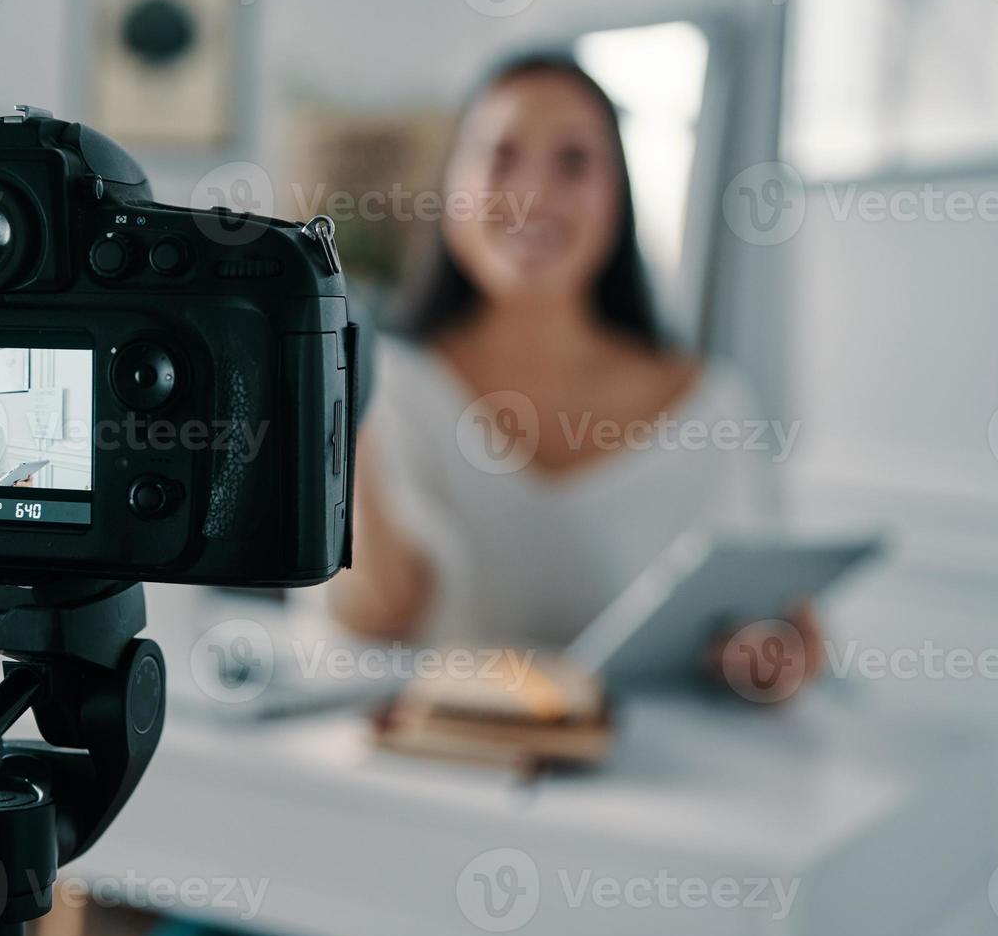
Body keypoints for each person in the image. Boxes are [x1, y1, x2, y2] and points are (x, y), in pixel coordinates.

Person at [325, 53, 822, 697]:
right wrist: (346, 409)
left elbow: (755, 623)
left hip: (668, 788)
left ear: (619, 197)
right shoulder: (384, 386)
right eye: (501, 156)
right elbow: (376, 620)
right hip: (442, 777)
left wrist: (768, 656)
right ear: (449, 187)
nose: (533, 196)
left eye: (574, 162)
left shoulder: (714, 406)